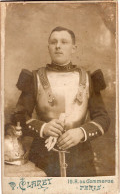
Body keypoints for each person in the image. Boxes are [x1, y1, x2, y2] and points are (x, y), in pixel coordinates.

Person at [7, 26, 110, 177]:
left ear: (74, 48)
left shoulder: (88, 79)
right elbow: (18, 117)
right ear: (48, 47)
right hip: (44, 157)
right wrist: (43, 128)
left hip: (80, 159)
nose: (58, 46)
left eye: (64, 42)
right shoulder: (34, 78)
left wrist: (81, 132)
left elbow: (103, 118)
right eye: (53, 42)